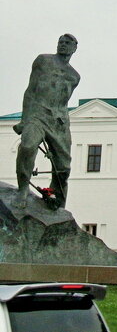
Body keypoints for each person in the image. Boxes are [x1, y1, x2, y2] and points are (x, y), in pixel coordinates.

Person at [13, 34, 80, 210]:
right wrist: (24, 119)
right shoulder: (43, 61)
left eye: (67, 43)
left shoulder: (74, 76)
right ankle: (23, 189)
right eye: (60, 42)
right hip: (37, 114)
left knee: (63, 168)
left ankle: (57, 200)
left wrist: (61, 122)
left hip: (59, 121)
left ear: (74, 48)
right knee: (27, 147)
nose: (63, 45)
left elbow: (63, 100)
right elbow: (30, 90)